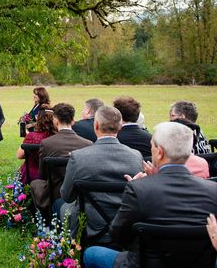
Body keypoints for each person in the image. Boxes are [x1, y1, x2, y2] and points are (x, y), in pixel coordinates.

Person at [83, 122, 217, 268]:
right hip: (198, 263)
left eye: (152, 145)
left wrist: (137, 187)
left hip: (142, 263)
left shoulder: (138, 188)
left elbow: (117, 236)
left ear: (159, 152)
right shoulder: (213, 190)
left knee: (91, 253)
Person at [59, 106, 143, 244]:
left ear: (96, 125)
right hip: (125, 226)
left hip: (90, 226)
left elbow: (67, 196)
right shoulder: (135, 156)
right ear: (120, 127)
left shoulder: (79, 157)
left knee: (61, 206)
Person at [30, 103, 92, 214]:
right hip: (80, 192)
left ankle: (43, 221)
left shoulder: (47, 143)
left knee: (36, 184)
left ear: (55, 120)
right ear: (73, 120)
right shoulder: (87, 144)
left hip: (55, 192)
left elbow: (43, 174)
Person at [17, 110, 56, 184]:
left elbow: (19, 155)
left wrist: (27, 137)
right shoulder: (57, 137)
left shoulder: (31, 136)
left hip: (30, 174)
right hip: (52, 176)